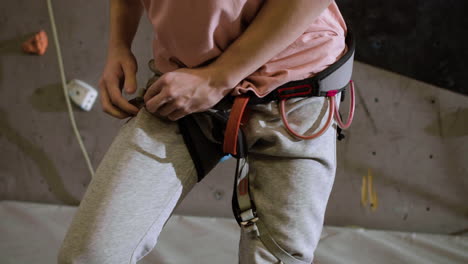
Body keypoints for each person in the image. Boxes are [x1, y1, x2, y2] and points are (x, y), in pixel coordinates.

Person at [57, 0, 349, 263]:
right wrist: (119, 45)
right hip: (184, 84)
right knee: (90, 255)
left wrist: (217, 79)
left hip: (293, 87)